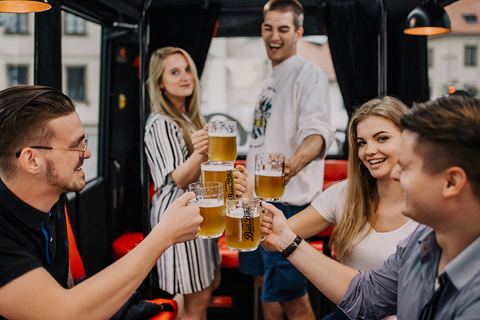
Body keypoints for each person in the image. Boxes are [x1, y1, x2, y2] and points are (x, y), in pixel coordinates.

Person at [261, 95, 480, 319]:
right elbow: (367, 296)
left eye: (408, 167)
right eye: (362, 142)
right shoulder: (419, 243)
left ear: (451, 182)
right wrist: (284, 238)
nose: (396, 174)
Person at [0, 85, 202, 320]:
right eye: (76, 145)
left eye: (84, 141)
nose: (86, 154)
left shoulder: (52, 195)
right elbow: (61, 312)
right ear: (32, 160)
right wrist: (163, 235)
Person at [239, 0, 336, 319]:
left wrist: (293, 164)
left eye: (283, 29)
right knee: (264, 282)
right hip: (254, 202)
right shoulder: (270, 79)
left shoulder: (308, 75)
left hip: (287, 206)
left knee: (293, 298)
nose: (274, 36)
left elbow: (319, 132)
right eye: (268, 28)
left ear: (298, 33)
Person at [285, 96, 418, 319]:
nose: (369, 150)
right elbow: (276, 235)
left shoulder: (430, 207)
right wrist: (249, 196)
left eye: (382, 138)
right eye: (362, 143)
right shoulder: (345, 193)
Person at [144, 46, 247, 320]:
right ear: (160, 83)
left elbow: (207, 172)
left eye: (187, 69)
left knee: (204, 288)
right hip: (179, 213)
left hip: (199, 212)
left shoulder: (188, 118)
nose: (185, 76)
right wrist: (202, 150)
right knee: (198, 300)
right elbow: (179, 177)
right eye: (174, 72)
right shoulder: (161, 123)